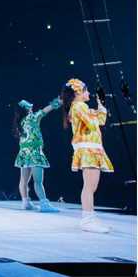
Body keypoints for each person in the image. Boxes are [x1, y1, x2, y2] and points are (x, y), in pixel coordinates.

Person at [61, 78, 113, 233]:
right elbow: (93, 123)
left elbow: (101, 121)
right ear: (78, 92)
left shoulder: (82, 107)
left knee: (92, 186)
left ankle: (90, 216)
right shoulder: (78, 106)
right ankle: (87, 220)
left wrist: (101, 103)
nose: (89, 93)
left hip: (93, 148)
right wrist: (96, 113)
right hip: (88, 149)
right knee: (89, 186)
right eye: (86, 90)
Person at [13, 98, 62, 212]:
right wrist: (58, 102)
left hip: (24, 153)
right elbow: (45, 110)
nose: (31, 108)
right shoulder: (32, 118)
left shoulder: (19, 122)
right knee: (38, 181)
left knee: (23, 181)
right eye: (29, 107)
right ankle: (44, 204)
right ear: (27, 109)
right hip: (34, 152)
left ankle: (25, 202)